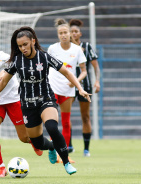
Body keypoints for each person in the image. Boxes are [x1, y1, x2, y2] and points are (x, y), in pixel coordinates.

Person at [0, 26, 91, 175]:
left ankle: (66, 162)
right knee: (37, 142)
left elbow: (66, 71)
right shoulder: (17, 61)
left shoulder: (44, 57)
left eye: (25, 44)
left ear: (33, 41)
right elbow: (3, 82)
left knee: (52, 127)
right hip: (27, 105)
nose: (23, 48)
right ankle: (51, 147)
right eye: (20, 46)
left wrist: (80, 88)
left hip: (46, 99)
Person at [0, 29, 43, 178]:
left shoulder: (5, 58)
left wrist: (5, 72)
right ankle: (1, 167)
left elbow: (17, 62)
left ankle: (36, 141)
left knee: (24, 138)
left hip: (14, 99)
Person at [47, 18, 87, 160]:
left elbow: (84, 71)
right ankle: (54, 149)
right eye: (61, 33)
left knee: (65, 122)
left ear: (70, 33)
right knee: (52, 121)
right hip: (53, 89)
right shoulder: (52, 49)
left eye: (66, 32)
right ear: (58, 35)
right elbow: (47, 67)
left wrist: (75, 82)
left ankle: (64, 154)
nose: (63, 35)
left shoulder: (77, 50)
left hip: (68, 91)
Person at [69, 19, 101, 157]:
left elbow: (95, 67)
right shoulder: (64, 48)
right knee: (66, 116)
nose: (73, 34)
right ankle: (69, 145)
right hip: (68, 85)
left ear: (80, 34)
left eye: (76, 31)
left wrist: (97, 81)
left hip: (84, 85)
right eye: (71, 31)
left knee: (85, 117)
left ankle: (86, 149)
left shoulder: (86, 47)